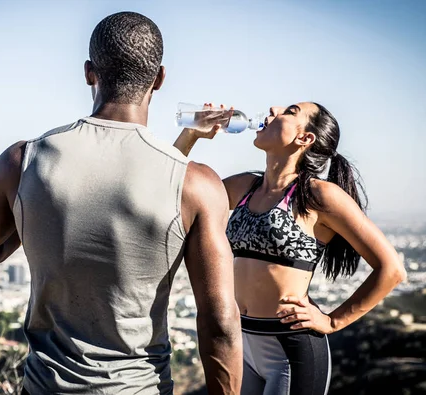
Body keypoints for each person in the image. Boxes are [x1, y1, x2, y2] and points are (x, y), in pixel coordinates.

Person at [0, 13, 243, 395]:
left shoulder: (22, 162)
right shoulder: (197, 184)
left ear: (89, 72)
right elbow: (220, 321)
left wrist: (33, 213)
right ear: (159, 78)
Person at [173, 103, 406, 395]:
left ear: (304, 139)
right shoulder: (245, 186)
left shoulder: (317, 195)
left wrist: (333, 321)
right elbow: (170, 191)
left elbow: (392, 270)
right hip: (241, 342)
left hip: (291, 350)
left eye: (291, 110)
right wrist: (191, 135)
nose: (274, 108)